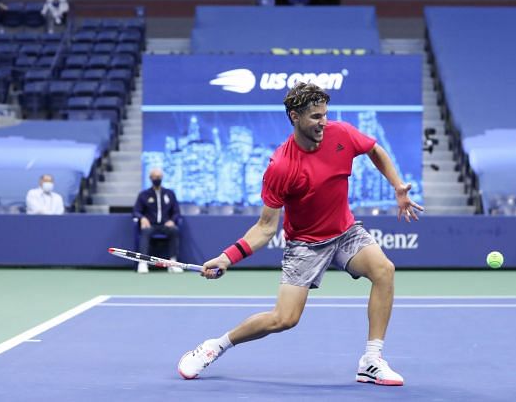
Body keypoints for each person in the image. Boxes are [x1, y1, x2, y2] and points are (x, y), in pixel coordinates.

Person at [177, 82, 422, 386]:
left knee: (384, 270)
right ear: (294, 116)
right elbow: (266, 228)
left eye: (325, 115)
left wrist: (397, 186)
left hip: (345, 232)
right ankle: (216, 345)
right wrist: (228, 258)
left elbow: (374, 149)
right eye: (316, 117)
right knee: (284, 319)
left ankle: (371, 360)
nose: (323, 123)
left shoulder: (341, 133)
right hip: (305, 245)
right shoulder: (281, 167)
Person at [132, 168, 183, 274]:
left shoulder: (170, 193)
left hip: (165, 225)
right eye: (155, 177)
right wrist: (142, 218)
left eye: (159, 177)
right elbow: (136, 211)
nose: (157, 179)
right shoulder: (143, 194)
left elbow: (176, 212)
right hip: (150, 225)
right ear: (150, 178)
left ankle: (172, 263)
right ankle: (143, 262)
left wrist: (172, 220)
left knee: (174, 230)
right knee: (145, 231)